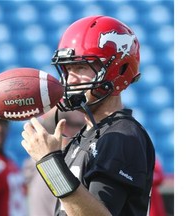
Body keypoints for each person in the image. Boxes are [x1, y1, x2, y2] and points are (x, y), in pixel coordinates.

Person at [21, 15, 155, 216]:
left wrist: (49, 163)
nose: (70, 79)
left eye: (81, 67)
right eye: (67, 69)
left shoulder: (121, 136)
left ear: (118, 70)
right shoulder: (88, 133)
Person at [22, 107, 85, 216]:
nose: (86, 131)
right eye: (80, 126)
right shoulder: (53, 167)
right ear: (63, 128)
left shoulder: (41, 163)